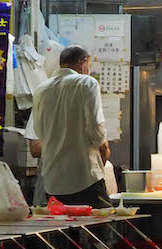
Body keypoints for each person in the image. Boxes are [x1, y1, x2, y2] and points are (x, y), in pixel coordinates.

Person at [28, 44, 111, 208]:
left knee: (62, 231)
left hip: (53, 183)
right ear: (83, 61)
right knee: (99, 229)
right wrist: (104, 147)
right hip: (85, 178)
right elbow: (96, 129)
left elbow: (39, 131)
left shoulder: (41, 89)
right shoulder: (87, 83)